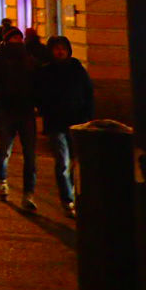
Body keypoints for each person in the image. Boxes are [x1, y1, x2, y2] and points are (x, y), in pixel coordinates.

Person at [36, 35, 94, 218]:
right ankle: (67, 200)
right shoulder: (46, 72)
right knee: (62, 162)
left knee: (77, 163)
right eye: (56, 48)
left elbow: (88, 93)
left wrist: (87, 117)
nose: (60, 51)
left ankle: (79, 197)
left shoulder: (78, 70)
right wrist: (46, 112)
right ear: (51, 51)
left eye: (63, 48)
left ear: (68, 50)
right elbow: (39, 96)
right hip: (56, 123)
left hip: (77, 122)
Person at [0, 27, 39, 211]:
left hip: (26, 112)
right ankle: (2, 182)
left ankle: (29, 194)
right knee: (5, 150)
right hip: (6, 110)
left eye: (19, 38)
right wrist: (1, 93)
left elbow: (36, 83)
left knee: (30, 155)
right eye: (14, 38)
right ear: (7, 40)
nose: (17, 40)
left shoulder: (29, 59)